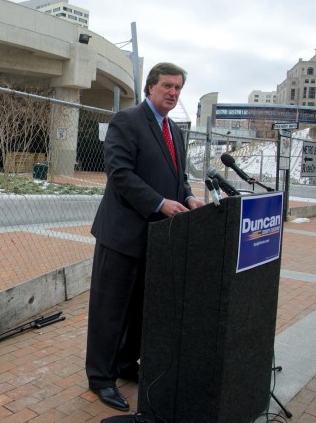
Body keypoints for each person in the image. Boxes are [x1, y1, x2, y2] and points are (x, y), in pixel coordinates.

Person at [86, 62, 205, 412]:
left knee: (140, 310)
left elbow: (177, 177)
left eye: (178, 88)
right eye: (167, 86)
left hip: (156, 238)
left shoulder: (176, 131)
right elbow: (119, 173)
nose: (173, 93)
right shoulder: (127, 121)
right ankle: (101, 378)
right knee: (110, 310)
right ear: (150, 88)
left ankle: (125, 364)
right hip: (121, 235)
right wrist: (159, 203)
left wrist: (187, 197)